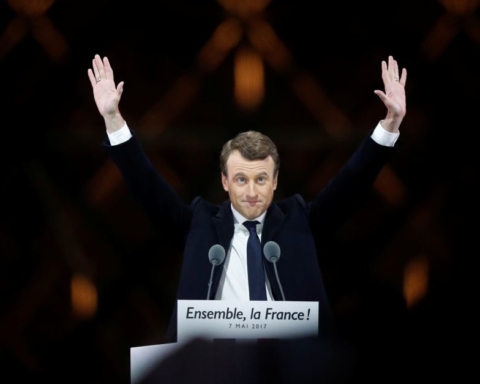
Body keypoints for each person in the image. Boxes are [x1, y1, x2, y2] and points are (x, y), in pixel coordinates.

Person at [87, 54, 407, 345]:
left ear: (275, 181)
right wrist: (113, 119)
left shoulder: (299, 220)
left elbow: (351, 184)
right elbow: (147, 187)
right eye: (241, 179)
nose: (252, 191)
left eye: (261, 179)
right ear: (225, 182)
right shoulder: (198, 224)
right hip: (212, 371)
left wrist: (389, 125)